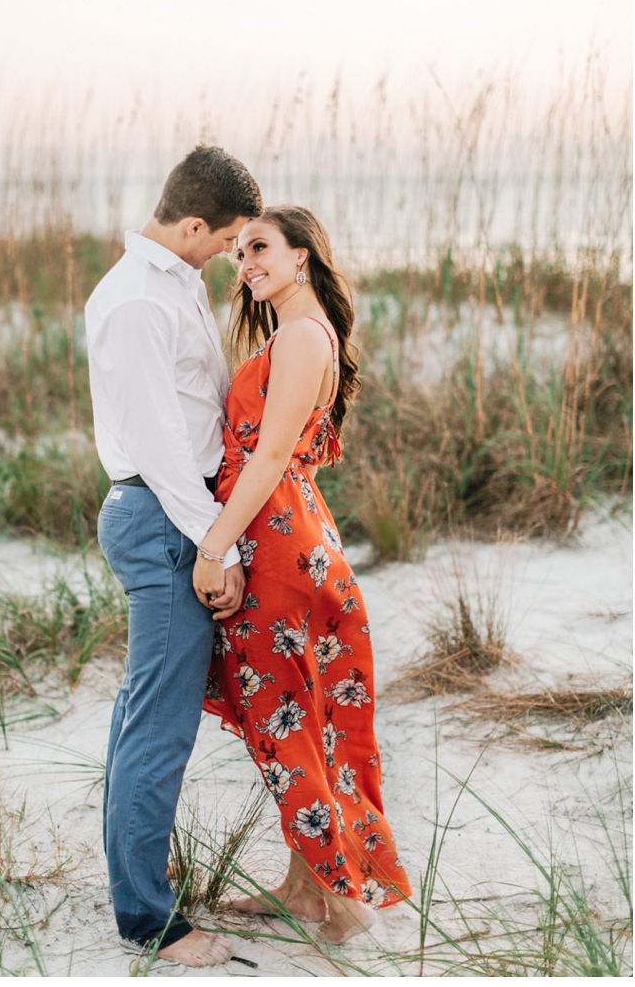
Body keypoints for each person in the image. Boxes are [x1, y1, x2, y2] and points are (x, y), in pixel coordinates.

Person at [194, 205, 412, 944]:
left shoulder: (298, 338)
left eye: (260, 248)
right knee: (301, 716)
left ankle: (339, 898)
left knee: (287, 718)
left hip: (277, 545)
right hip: (294, 533)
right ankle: (304, 886)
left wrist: (213, 546)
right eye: (240, 251)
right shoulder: (303, 334)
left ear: (301, 257)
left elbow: (268, 456)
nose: (245, 262)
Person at [86, 145, 263, 968]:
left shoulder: (173, 283)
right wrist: (214, 542)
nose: (228, 253)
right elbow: (160, 441)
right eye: (224, 239)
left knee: (141, 715)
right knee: (158, 729)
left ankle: (135, 891)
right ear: (192, 223)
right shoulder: (133, 303)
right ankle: (148, 921)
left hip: (175, 512)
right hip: (165, 517)